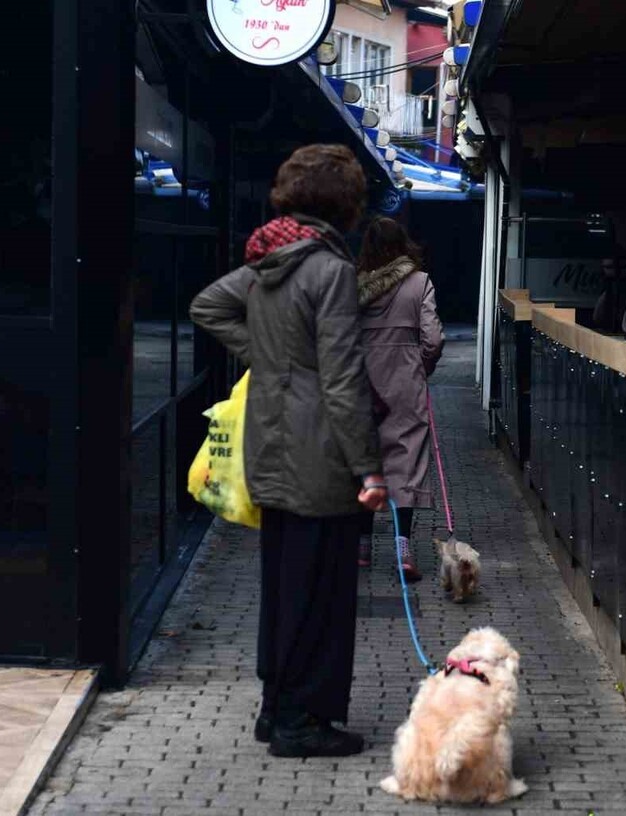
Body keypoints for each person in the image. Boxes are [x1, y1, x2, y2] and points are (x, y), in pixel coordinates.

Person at [189, 144, 387, 759]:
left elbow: (207, 305)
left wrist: (269, 359)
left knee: (282, 585)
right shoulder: (328, 270)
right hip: (320, 455)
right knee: (322, 592)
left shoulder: (269, 259)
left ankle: (276, 709)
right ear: (345, 203)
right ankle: (303, 723)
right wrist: (370, 469)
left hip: (270, 449)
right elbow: (343, 380)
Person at [354, 216, 444, 580]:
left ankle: (361, 547)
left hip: (360, 386)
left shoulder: (351, 285)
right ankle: (403, 550)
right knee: (406, 464)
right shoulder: (419, 282)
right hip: (406, 382)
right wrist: (419, 367)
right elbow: (433, 339)